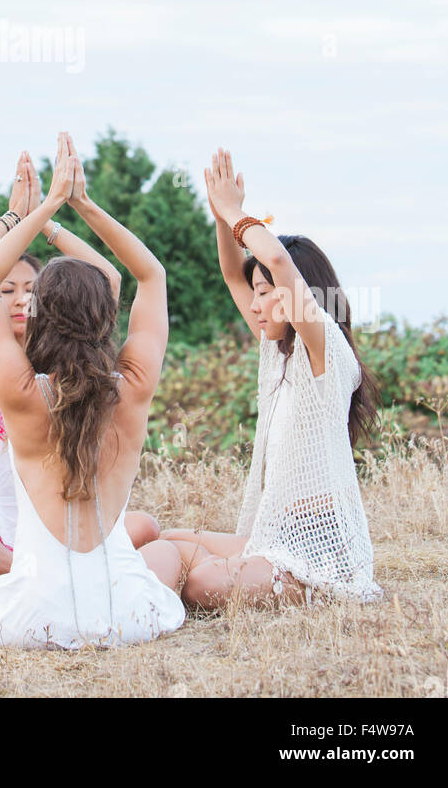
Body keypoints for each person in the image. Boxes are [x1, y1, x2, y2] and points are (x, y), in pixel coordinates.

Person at [0, 133, 186, 648]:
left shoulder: (23, 393)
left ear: (39, 315)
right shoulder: (133, 386)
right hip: (128, 614)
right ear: (106, 317)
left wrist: (40, 208)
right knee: (165, 556)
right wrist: (79, 205)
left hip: (36, 615)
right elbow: (151, 274)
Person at [161, 148, 382, 609]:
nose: (256, 304)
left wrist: (235, 212)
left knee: (202, 581)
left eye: (266, 294)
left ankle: (318, 590)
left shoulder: (326, 351)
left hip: (321, 549)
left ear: (299, 293)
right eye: (256, 294)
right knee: (168, 541)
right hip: (273, 533)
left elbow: (279, 264)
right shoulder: (275, 353)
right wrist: (220, 219)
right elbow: (230, 273)